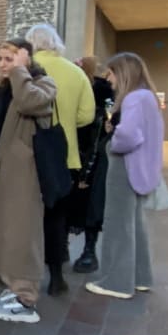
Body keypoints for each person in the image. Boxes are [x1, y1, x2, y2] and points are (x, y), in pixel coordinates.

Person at [0, 39, 56, 323]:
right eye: (0, 59)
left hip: (24, 176)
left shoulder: (43, 85)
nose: (2, 65)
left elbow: (30, 102)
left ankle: (26, 299)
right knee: (2, 232)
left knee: (22, 236)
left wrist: (20, 69)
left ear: (26, 59)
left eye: (8, 59)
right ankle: (12, 286)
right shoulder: (1, 92)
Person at [85, 52, 163, 300]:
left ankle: (116, 282)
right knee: (135, 224)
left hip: (125, 166)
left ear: (122, 72)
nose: (108, 79)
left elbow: (128, 135)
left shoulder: (133, 98)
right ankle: (140, 277)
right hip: (142, 168)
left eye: (110, 73)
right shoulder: (147, 96)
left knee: (118, 224)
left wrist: (114, 140)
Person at [25, 24, 95, 296]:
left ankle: (23, 274)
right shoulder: (76, 73)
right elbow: (87, 116)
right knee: (57, 218)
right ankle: (56, 276)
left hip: (31, 154)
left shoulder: (26, 72)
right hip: (66, 156)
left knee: (28, 217)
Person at [71, 57, 114, 274]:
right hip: (78, 148)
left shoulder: (101, 89)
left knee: (90, 202)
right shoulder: (95, 88)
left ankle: (89, 249)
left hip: (92, 151)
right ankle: (70, 247)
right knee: (74, 201)